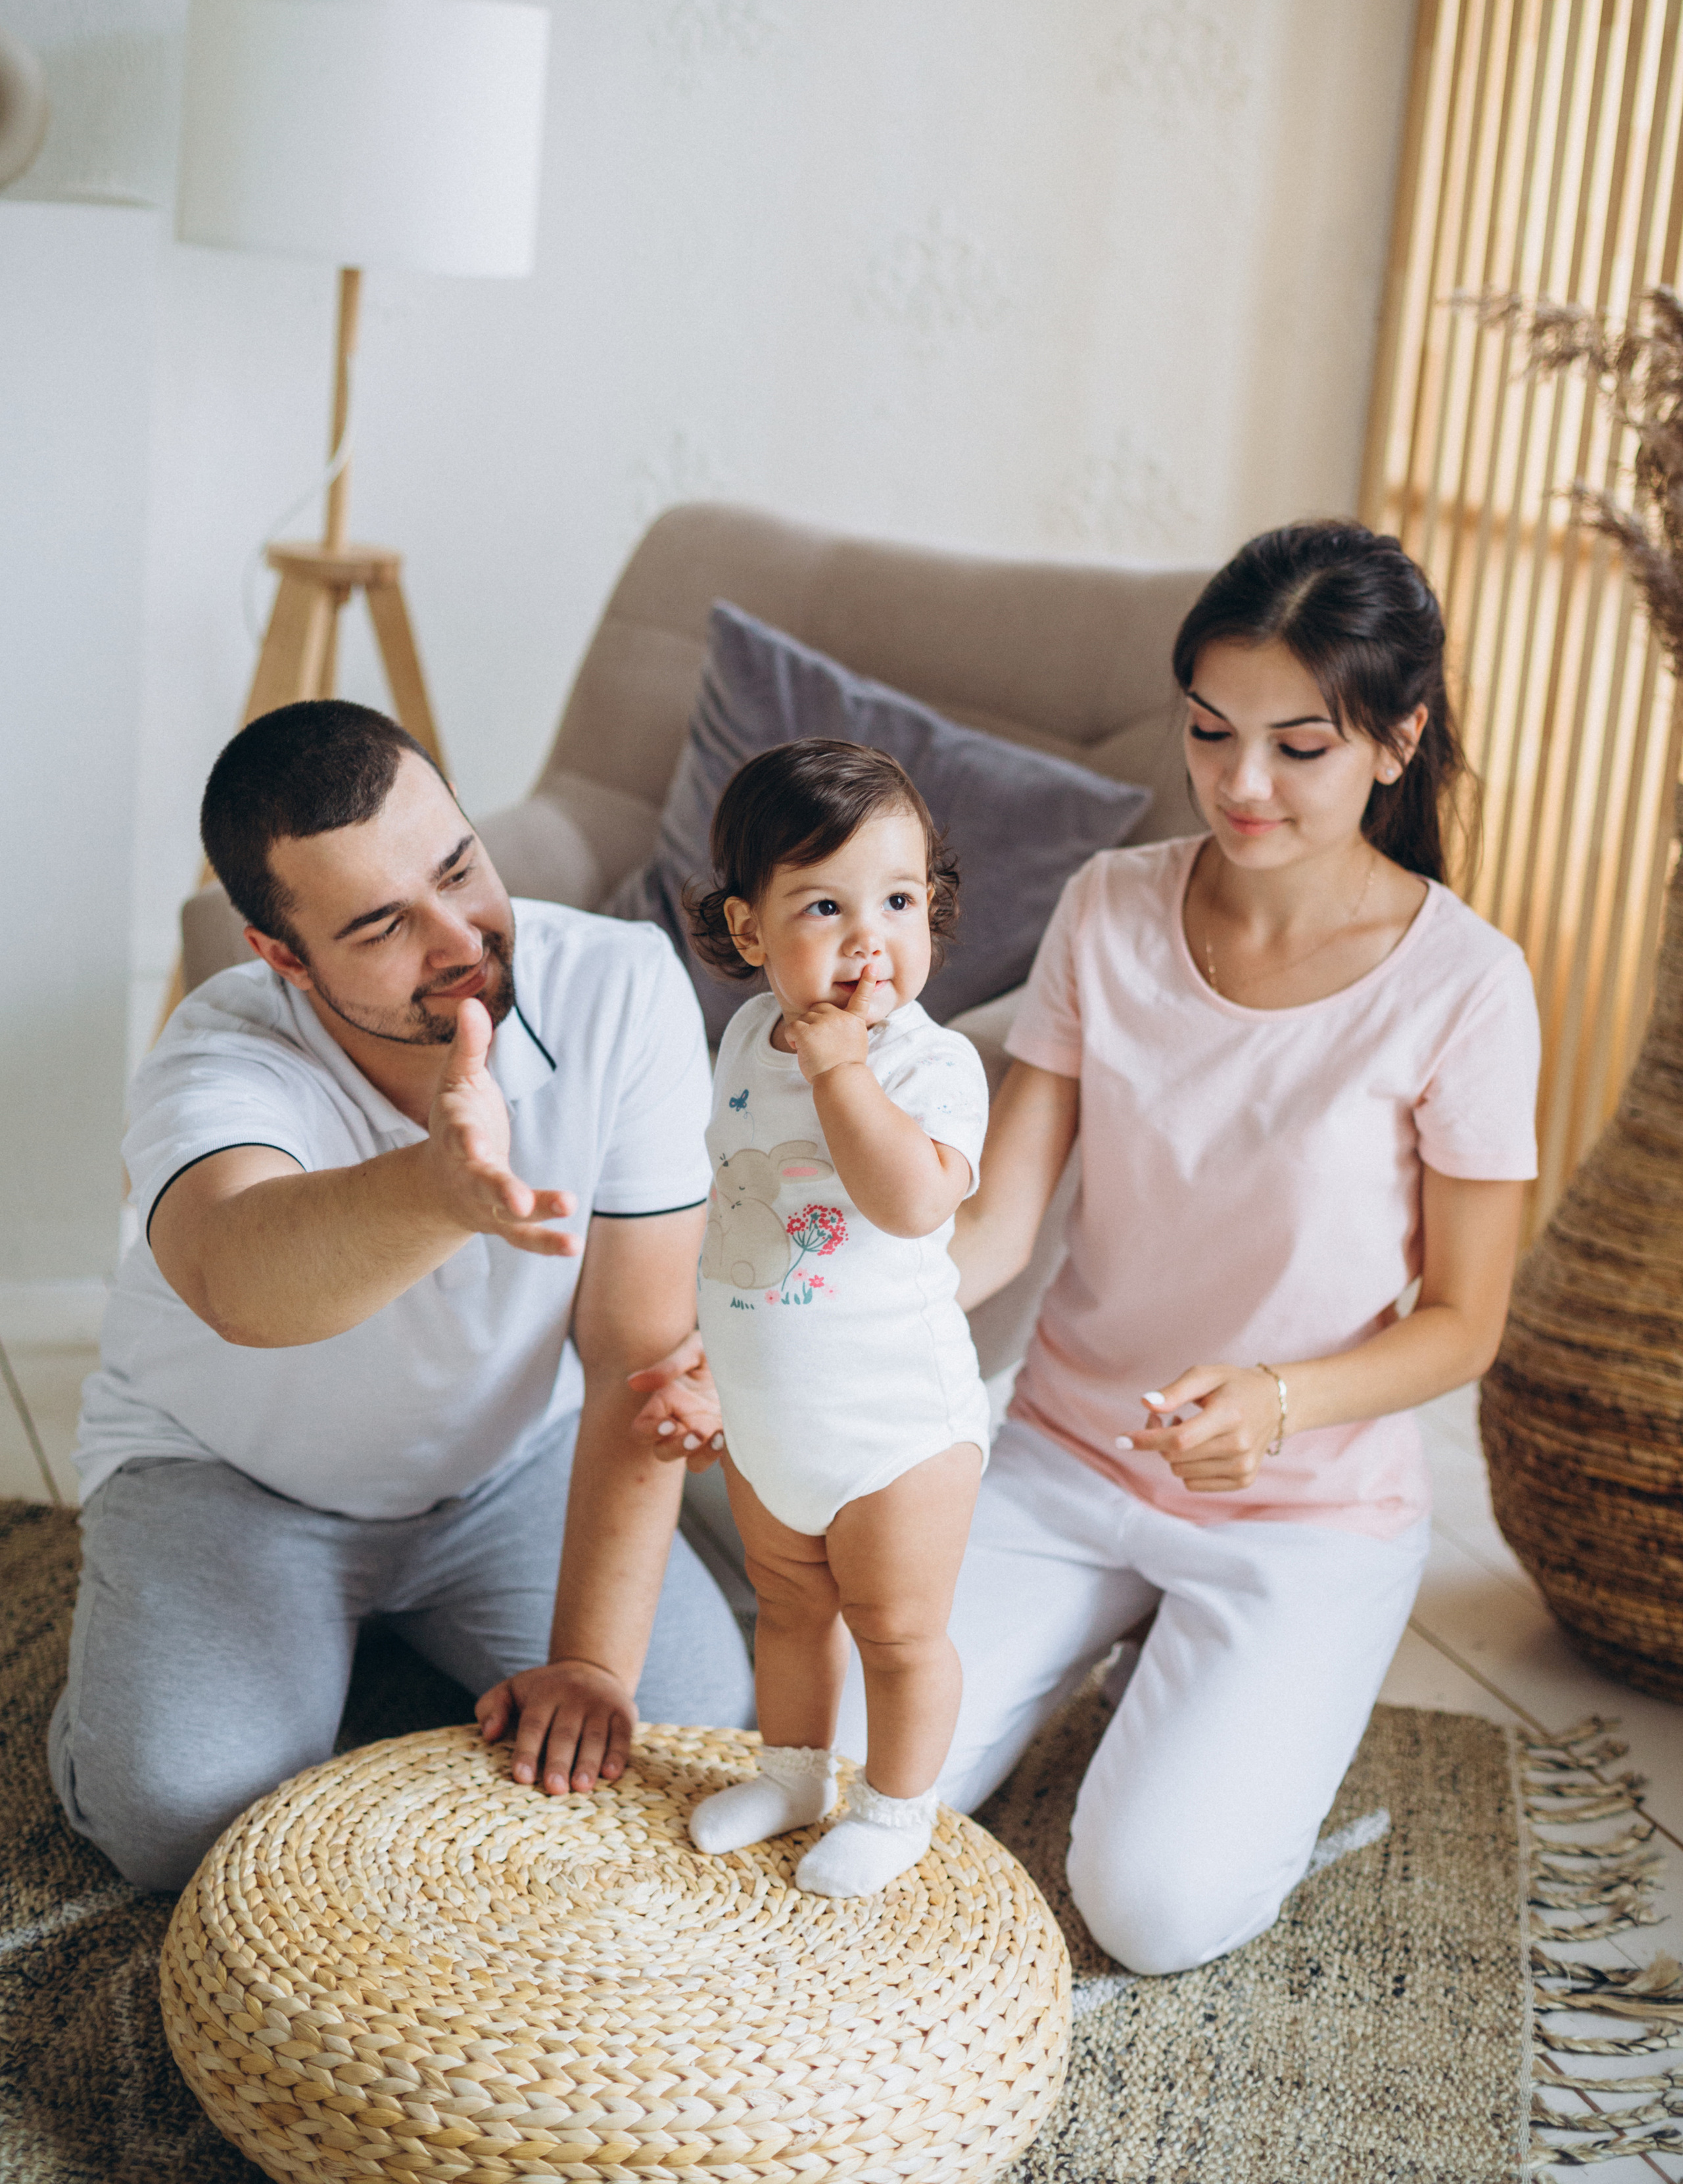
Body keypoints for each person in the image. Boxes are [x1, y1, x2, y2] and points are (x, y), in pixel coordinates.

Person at [833, 519, 1540, 1972]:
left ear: (1395, 741)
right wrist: (827, 1308)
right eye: (1210, 732)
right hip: (1060, 1454)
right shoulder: (1110, 907)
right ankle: (1118, 1636)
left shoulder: (1466, 987)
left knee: (1152, 1911)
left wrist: (1278, 1401)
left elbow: (1463, 1321)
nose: (1238, 784)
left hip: (1301, 1512)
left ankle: (1217, 1674)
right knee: (840, 1787)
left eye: (1299, 747)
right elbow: (1000, 1226)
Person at [50, 699, 753, 1892]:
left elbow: (634, 1355)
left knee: (687, 1721)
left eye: (461, 867)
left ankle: (390, 1653)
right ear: (281, 953)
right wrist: (439, 1190)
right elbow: (239, 1278)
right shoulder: (218, 1055)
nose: (459, 938)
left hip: (504, 1473)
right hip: (233, 1480)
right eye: (381, 924)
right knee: (177, 1816)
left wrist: (588, 1665)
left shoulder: (624, 988)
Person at [680, 742, 991, 1898]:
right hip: (771, 1415)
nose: (872, 937)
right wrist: (702, 1355)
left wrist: (843, 1075)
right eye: (826, 904)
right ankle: (795, 1772)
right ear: (750, 931)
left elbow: (910, 1201)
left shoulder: (929, 1064)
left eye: (900, 901)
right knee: (790, 1607)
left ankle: (898, 1809)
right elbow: (727, 1204)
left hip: (894, 1428)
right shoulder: (744, 1040)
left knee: (898, 1633)